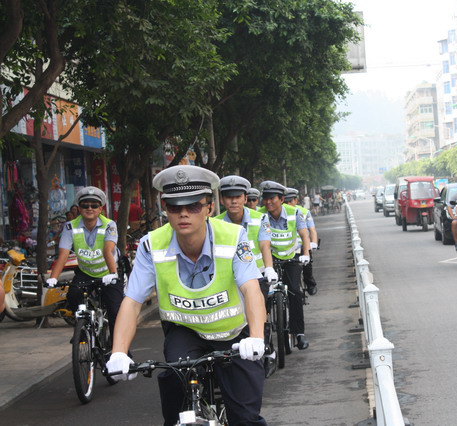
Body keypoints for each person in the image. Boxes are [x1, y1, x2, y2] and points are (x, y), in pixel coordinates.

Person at [106, 165, 268, 426]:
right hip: (185, 331)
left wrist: (257, 338)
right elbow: (132, 301)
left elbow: (251, 288)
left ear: (209, 208)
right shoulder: (151, 244)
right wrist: (118, 353)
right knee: (174, 395)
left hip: (234, 333)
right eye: (174, 206)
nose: (183, 214)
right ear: (164, 207)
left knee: (246, 419)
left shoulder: (234, 237)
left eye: (193, 206)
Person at [215, 175, 278, 377]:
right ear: (222, 199)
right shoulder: (213, 223)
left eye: (237, 196)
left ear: (244, 198)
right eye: (228, 196)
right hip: (227, 281)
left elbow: (264, 245)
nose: (233, 201)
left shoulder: (260, 218)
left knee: (259, 316)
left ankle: (266, 349)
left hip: (256, 276)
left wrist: (269, 268)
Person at [46, 187, 123, 339]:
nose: (89, 208)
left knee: (115, 311)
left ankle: (120, 351)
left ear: (100, 209)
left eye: (94, 205)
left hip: (108, 273)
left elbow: (107, 250)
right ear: (79, 208)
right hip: (85, 273)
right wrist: (53, 277)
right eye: (85, 205)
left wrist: (113, 274)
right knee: (73, 295)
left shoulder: (110, 225)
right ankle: (83, 329)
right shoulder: (70, 226)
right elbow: (63, 254)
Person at [258, 181, 312, 349]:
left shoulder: (294, 212)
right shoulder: (258, 215)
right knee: (261, 296)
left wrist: (305, 254)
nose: (268, 202)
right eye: (265, 199)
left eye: (272, 198)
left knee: (295, 291)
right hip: (268, 260)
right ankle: (264, 339)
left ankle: (299, 334)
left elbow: (304, 235)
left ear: (281, 199)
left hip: (291, 258)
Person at [284, 188, 318, 296]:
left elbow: (312, 230)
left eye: (290, 201)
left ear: (296, 200)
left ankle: (310, 284)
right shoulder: (279, 212)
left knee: (307, 262)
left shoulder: (304, 212)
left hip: (302, 243)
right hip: (286, 246)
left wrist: (314, 243)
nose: (288, 204)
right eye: (286, 202)